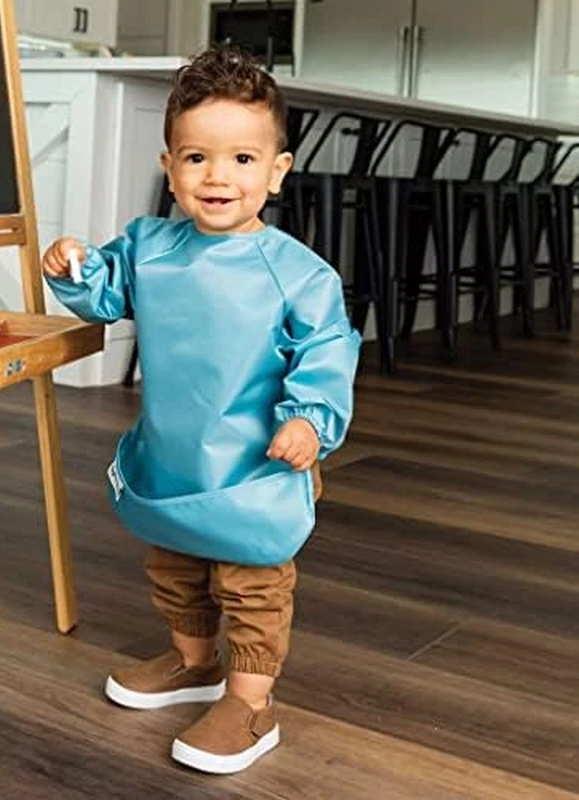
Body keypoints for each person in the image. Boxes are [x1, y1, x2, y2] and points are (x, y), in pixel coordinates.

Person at [42, 46, 360, 775]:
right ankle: (193, 663)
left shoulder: (299, 274)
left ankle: (250, 702)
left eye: (243, 159)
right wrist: (76, 267)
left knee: (252, 583)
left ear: (277, 170)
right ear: (170, 166)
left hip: (257, 468)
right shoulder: (150, 246)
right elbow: (106, 292)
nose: (218, 177)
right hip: (174, 457)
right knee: (174, 565)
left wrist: (309, 420)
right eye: (197, 158)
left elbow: (326, 352)